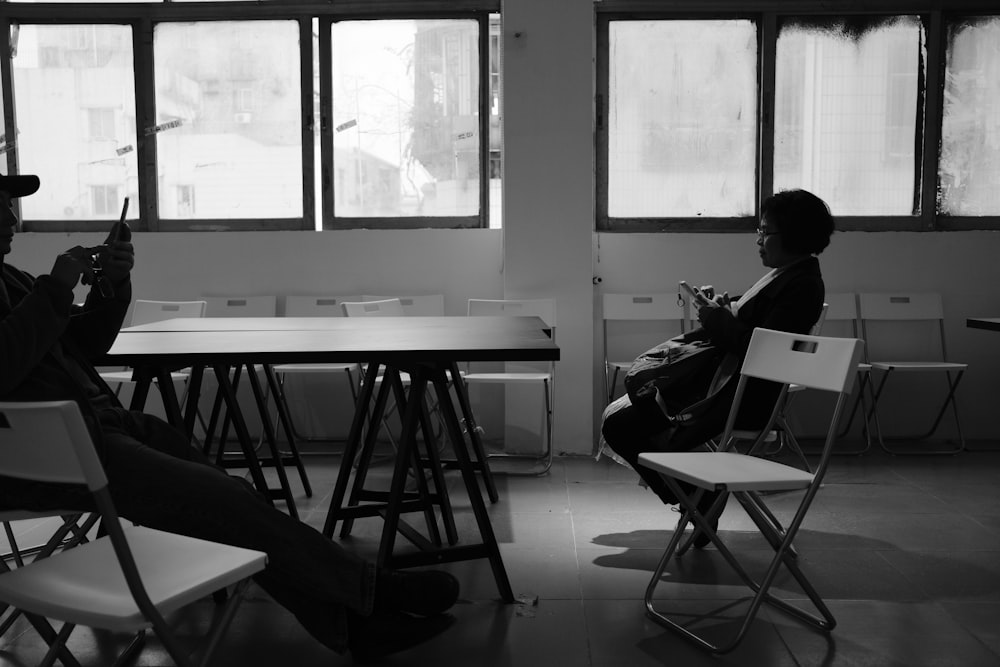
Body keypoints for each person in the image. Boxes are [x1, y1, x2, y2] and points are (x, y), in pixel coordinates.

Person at [0, 172, 459, 662]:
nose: (11, 217)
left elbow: (83, 347)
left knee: (229, 495)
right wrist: (53, 290)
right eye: (1, 204)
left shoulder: (14, 280)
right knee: (220, 500)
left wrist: (110, 287)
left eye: (11, 204)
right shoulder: (33, 286)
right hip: (53, 456)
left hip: (97, 432)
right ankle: (370, 590)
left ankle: (350, 619)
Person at [601, 189, 833, 536]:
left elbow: (758, 349)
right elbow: (755, 327)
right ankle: (695, 497)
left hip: (745, 398)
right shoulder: (790, 276)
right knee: (630, 413)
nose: (758, 240)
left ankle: (696, 499)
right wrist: (724, 309)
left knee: (623, 424)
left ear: (794, 236)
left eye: (765, 232)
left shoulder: (801, 286)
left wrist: (716, 318)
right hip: (731, 388)